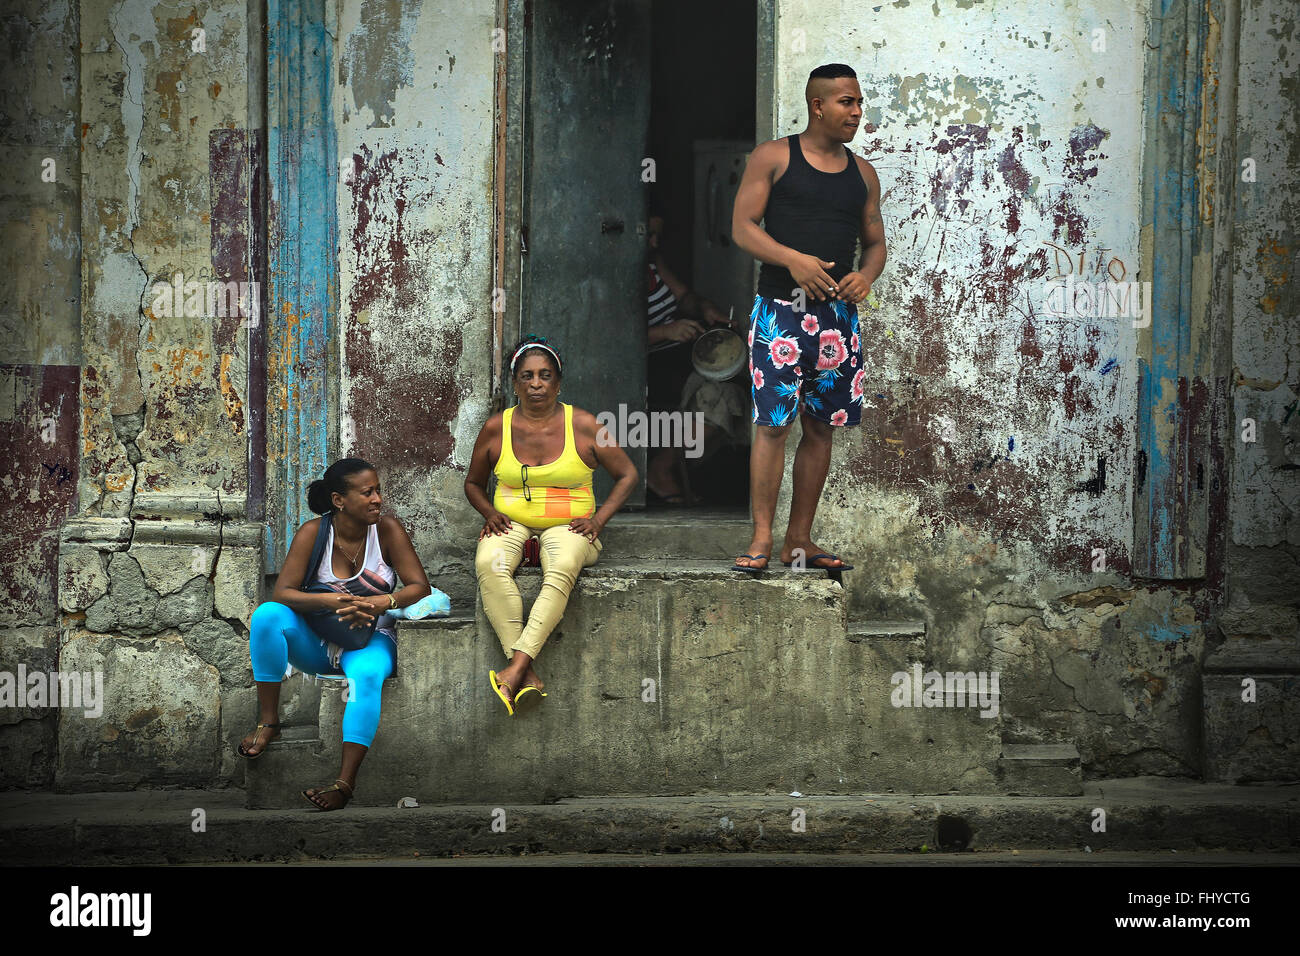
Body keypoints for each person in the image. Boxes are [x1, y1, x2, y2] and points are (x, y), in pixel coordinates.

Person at [729, 62, 887, 572]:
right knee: (773, 426)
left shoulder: (863, 174)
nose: (857, 112)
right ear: (818, 105)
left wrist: (866, 275)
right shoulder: (775, 157)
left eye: (859, 103)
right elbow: (742, 227)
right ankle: (760, 539)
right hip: (780, 316)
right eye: (847, 102)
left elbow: (876, 243)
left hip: (839, 320)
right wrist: (792, 259)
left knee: (822, 429)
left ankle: (799, 541)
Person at [237, 458, 433, 811]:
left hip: (369, 639)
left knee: (368, 674)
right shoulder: (314, 533)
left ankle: (344, 784)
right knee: (268, 615)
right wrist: (330, 599)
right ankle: (269, 721)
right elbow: (283, 592)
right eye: (367, 492)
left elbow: (419, 586)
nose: (377, 499)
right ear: (339, 500)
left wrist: (377, 603)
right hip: (319, 640)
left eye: (378, 490)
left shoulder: (387, 529)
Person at [465, 335, 638, 714]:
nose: (536, 384)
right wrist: (489, 513)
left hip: (570, 527)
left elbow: (627, 474)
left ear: (558, 383)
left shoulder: (586, 424)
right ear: (515, 384)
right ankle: (524, 673)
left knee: (559, 566)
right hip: (510, 523)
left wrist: (598, 520)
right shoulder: (498, 427)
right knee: (488, 566)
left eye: (545, 376)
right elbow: (473, 484)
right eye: (526, 376)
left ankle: (515, 669)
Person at [645, 212, 747, 504]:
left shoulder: (654, 261)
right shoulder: (618, 272)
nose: (654, 242)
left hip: (673, 354)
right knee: (719, 393)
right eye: (649, 235)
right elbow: (612, 337)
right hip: (645, 364)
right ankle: (662, 468)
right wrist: (666, 331)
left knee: (734, 387)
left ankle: (671, 466)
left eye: (657, 236)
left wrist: (705, 308)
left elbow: (684, 296)